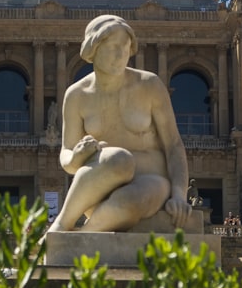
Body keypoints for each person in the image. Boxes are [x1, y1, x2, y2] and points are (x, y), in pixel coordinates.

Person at [47, 15, 192, 232]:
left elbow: (173, 145)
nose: (121, 54)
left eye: (125, 48)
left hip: (151, 182)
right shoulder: (76, 95)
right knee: (118, 159)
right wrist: (77, 156)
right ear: (93, 48)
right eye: (114, 47)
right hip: (101, 183)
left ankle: (71, 237)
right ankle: (62, 224)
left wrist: (180, 194)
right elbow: (67, 156)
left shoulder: (149, 85)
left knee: (130, 197)